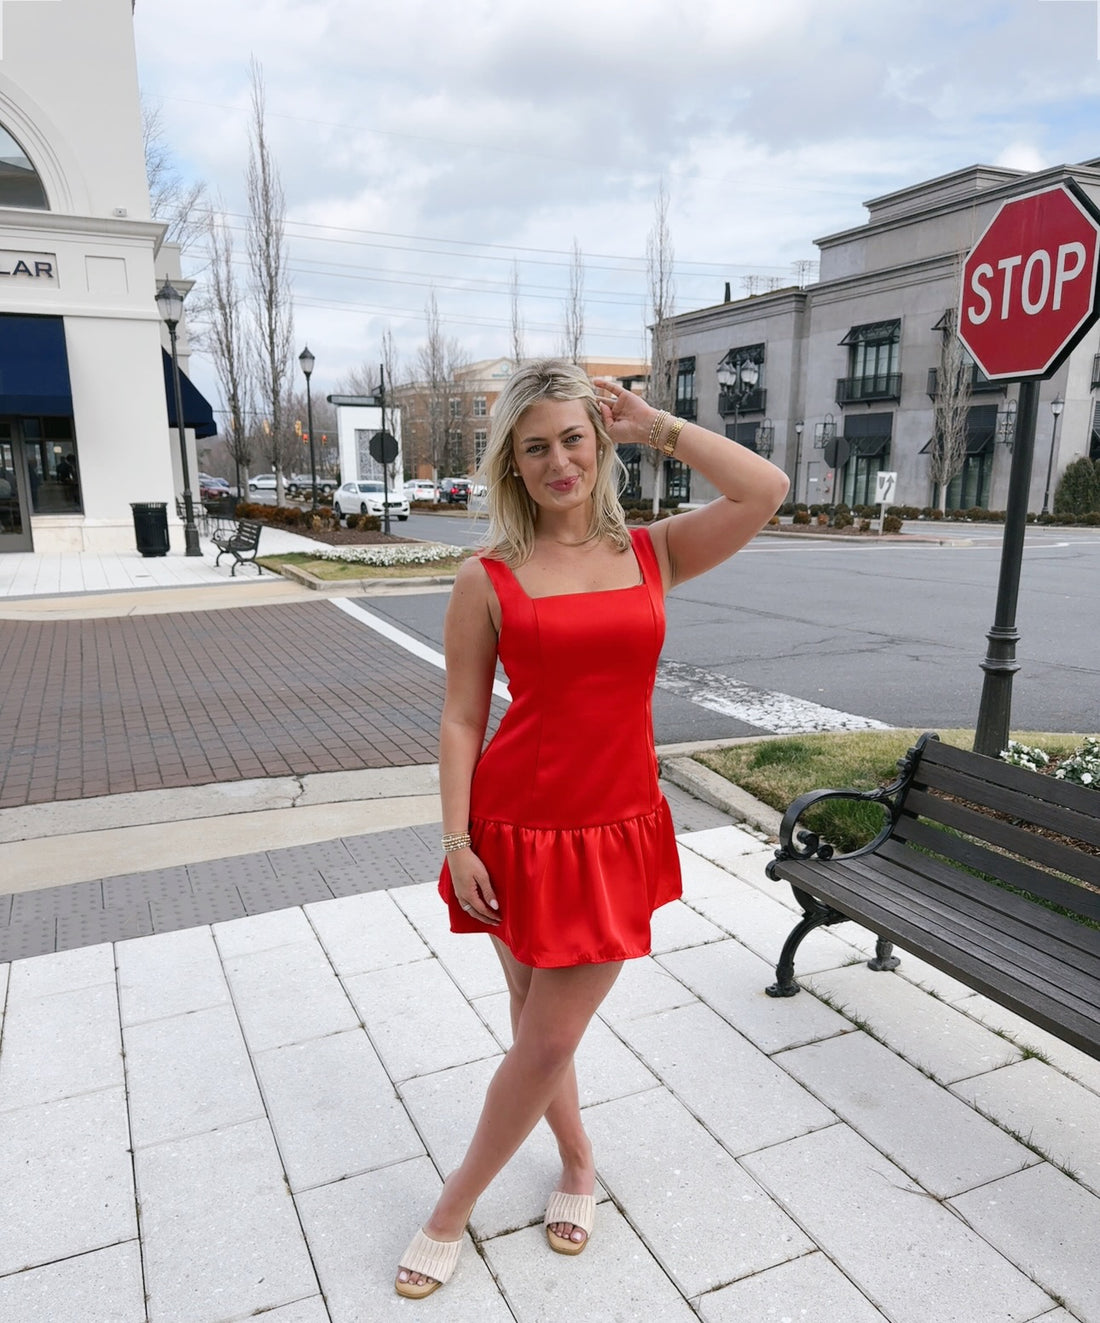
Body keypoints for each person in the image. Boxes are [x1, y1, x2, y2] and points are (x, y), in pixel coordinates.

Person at [395, 358, 789, 1298]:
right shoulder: (486, 576)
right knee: (541, 1032)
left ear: (599, 442)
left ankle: (449, 1208)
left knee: (543, 1039)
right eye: (536, 447)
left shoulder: (654, 552)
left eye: (574, 437)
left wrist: (657, 425)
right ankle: (577, 1168)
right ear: (514, 466)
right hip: (512, 830)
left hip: (611, 831)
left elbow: (765, 487)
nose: (559, 460)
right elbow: (460, 718)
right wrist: (458, 841)